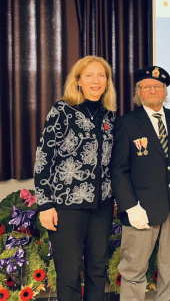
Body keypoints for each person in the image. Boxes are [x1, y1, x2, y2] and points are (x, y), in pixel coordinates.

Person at [34, 55, 117, 301]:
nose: (96, 81)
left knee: (97, 271)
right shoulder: (62, 110)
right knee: (69, 274)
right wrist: (45, 205)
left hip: (101, 206)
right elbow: (43, 158)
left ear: (107, 82)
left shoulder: (110, 115)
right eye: (89, 75)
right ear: (78, 80)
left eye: (101, 75)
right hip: (66, 206)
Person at [110, 66, 170, 301]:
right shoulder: (126, 123)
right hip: (140, 209)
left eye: (158, 86)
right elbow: (119, 170)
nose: (152, 90)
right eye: (146, 87)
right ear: (138, 92)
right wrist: (130, 206)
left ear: (165, 90)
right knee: (134, 268)